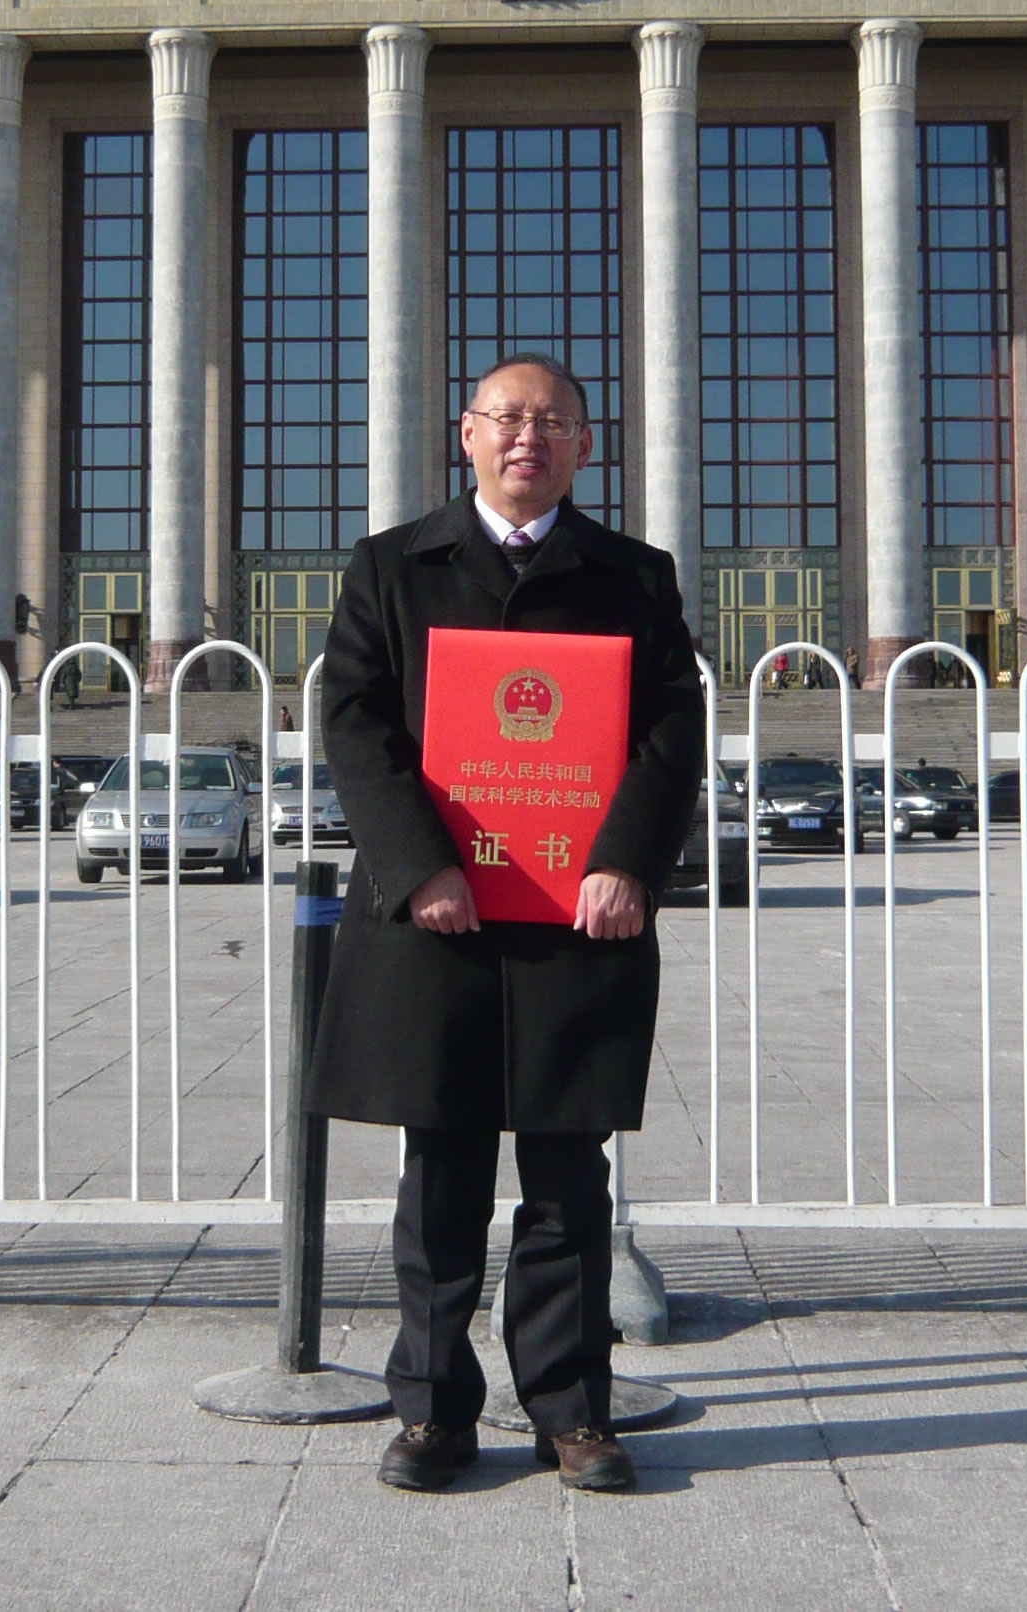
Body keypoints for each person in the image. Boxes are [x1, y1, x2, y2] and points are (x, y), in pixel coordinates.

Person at [308, 352, 702, 1496]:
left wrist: (628, 859)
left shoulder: (632, 576)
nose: (530, 439)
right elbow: (356, 721)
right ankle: (432, 1412)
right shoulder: (393, 567)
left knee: (569, 1181)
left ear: (588, 446)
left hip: (580, 920)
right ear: (466, 436)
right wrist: (420, 864)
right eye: (507, 419)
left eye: (555, 422)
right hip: (443, 916)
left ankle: (573, 1410)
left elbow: (670, 729)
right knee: (440, 1176)